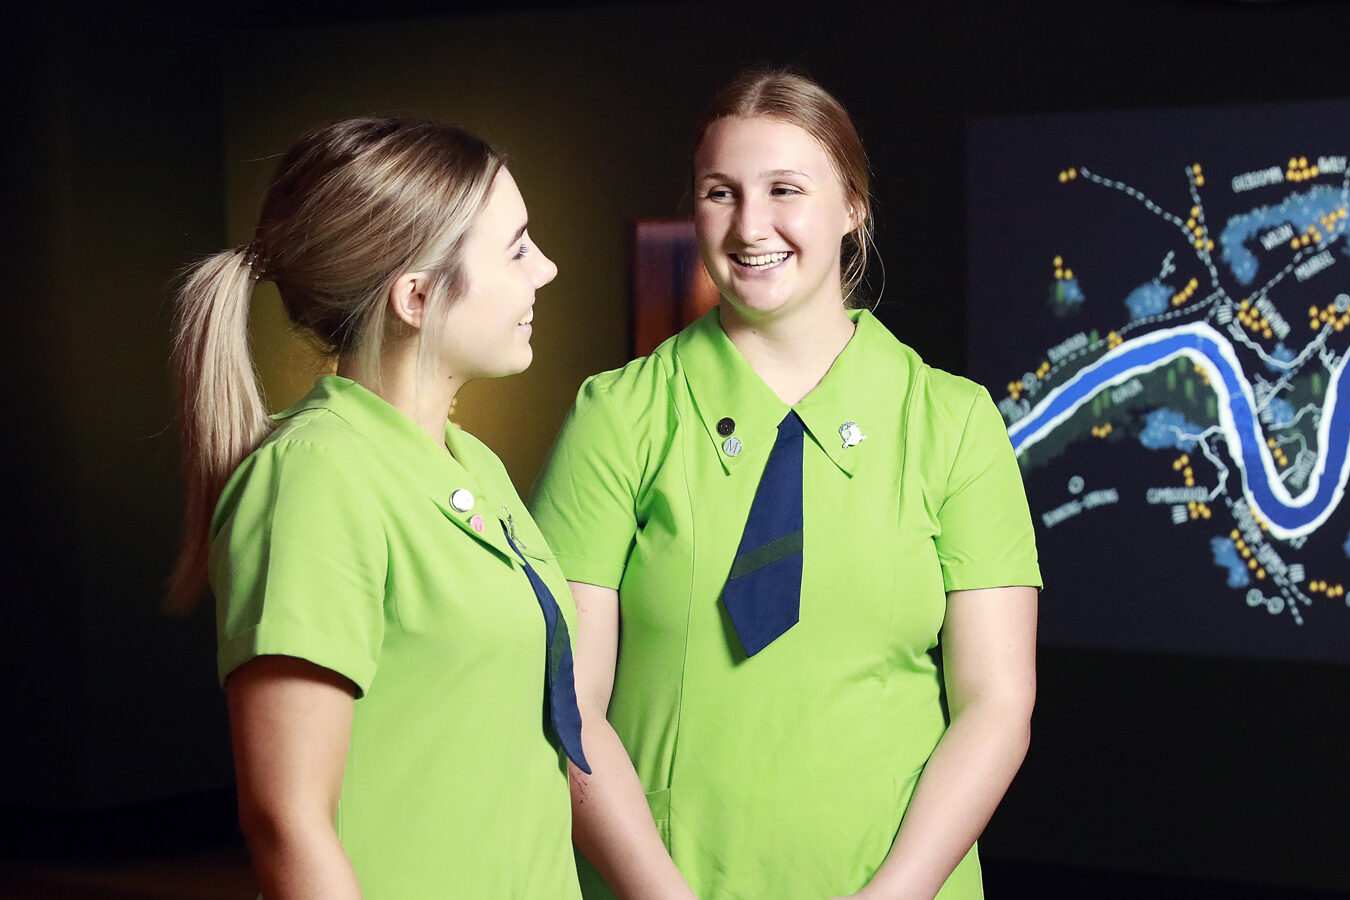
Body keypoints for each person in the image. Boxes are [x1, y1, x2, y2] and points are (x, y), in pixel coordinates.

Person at [533, 68, 1040, 900]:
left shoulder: (955, 423)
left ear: (853, 209)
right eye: (720, 192)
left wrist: (896, 892)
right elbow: (569, 701)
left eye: (785, 189)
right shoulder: (615, 416)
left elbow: (995, 702)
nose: (750, 224)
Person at [168, 116, 587, 899]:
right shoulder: (313, 477)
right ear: (418, 297)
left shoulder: (476, 467)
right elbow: (287, 822)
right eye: (518, 248)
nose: (548, 269)